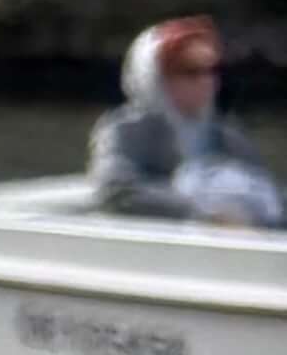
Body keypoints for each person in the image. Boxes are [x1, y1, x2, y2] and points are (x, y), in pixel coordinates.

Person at [88, 15, 283, 227]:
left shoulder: (228, 135)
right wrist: (204, 214)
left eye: (212, 70)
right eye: (191, 72)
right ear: (154, 76)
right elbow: (117, 191)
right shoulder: (125, 130)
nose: (206, 81)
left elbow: (268, 191)